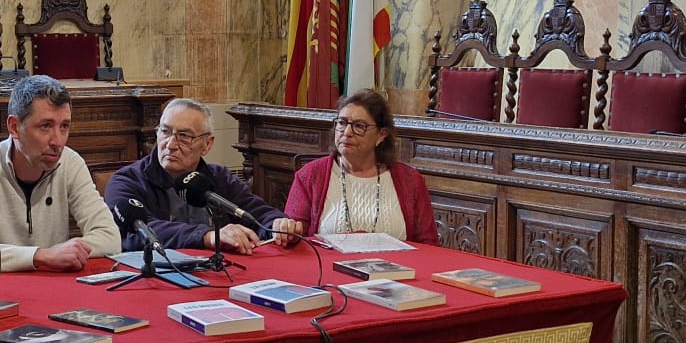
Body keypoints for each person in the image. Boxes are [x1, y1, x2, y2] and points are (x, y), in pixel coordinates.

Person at [0, 74, 119, 271]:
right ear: (14, 127)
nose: (57, 141)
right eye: (46, 126)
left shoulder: (70, 162)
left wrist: (57, 255)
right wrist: (40, 256)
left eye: (64, 126)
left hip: (52, 288)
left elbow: (110, 238)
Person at [104, 97, 305, 252]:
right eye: (165, 132)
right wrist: (207, 236)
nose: (171, 145)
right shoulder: (127, 180)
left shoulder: (218, 178)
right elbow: (140, 231)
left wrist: (278, 224)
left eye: (184, 136)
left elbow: (257, 213)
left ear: (207, 144)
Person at [283, 88, 440, 244]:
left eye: (359, 126)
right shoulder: (310, 175)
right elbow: (292, 238)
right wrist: (286, 229)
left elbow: (429, 245)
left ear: (381, 135)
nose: (347, 132)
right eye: (342, 123)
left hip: (399, 268)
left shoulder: (411, 181)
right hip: (327, 268)